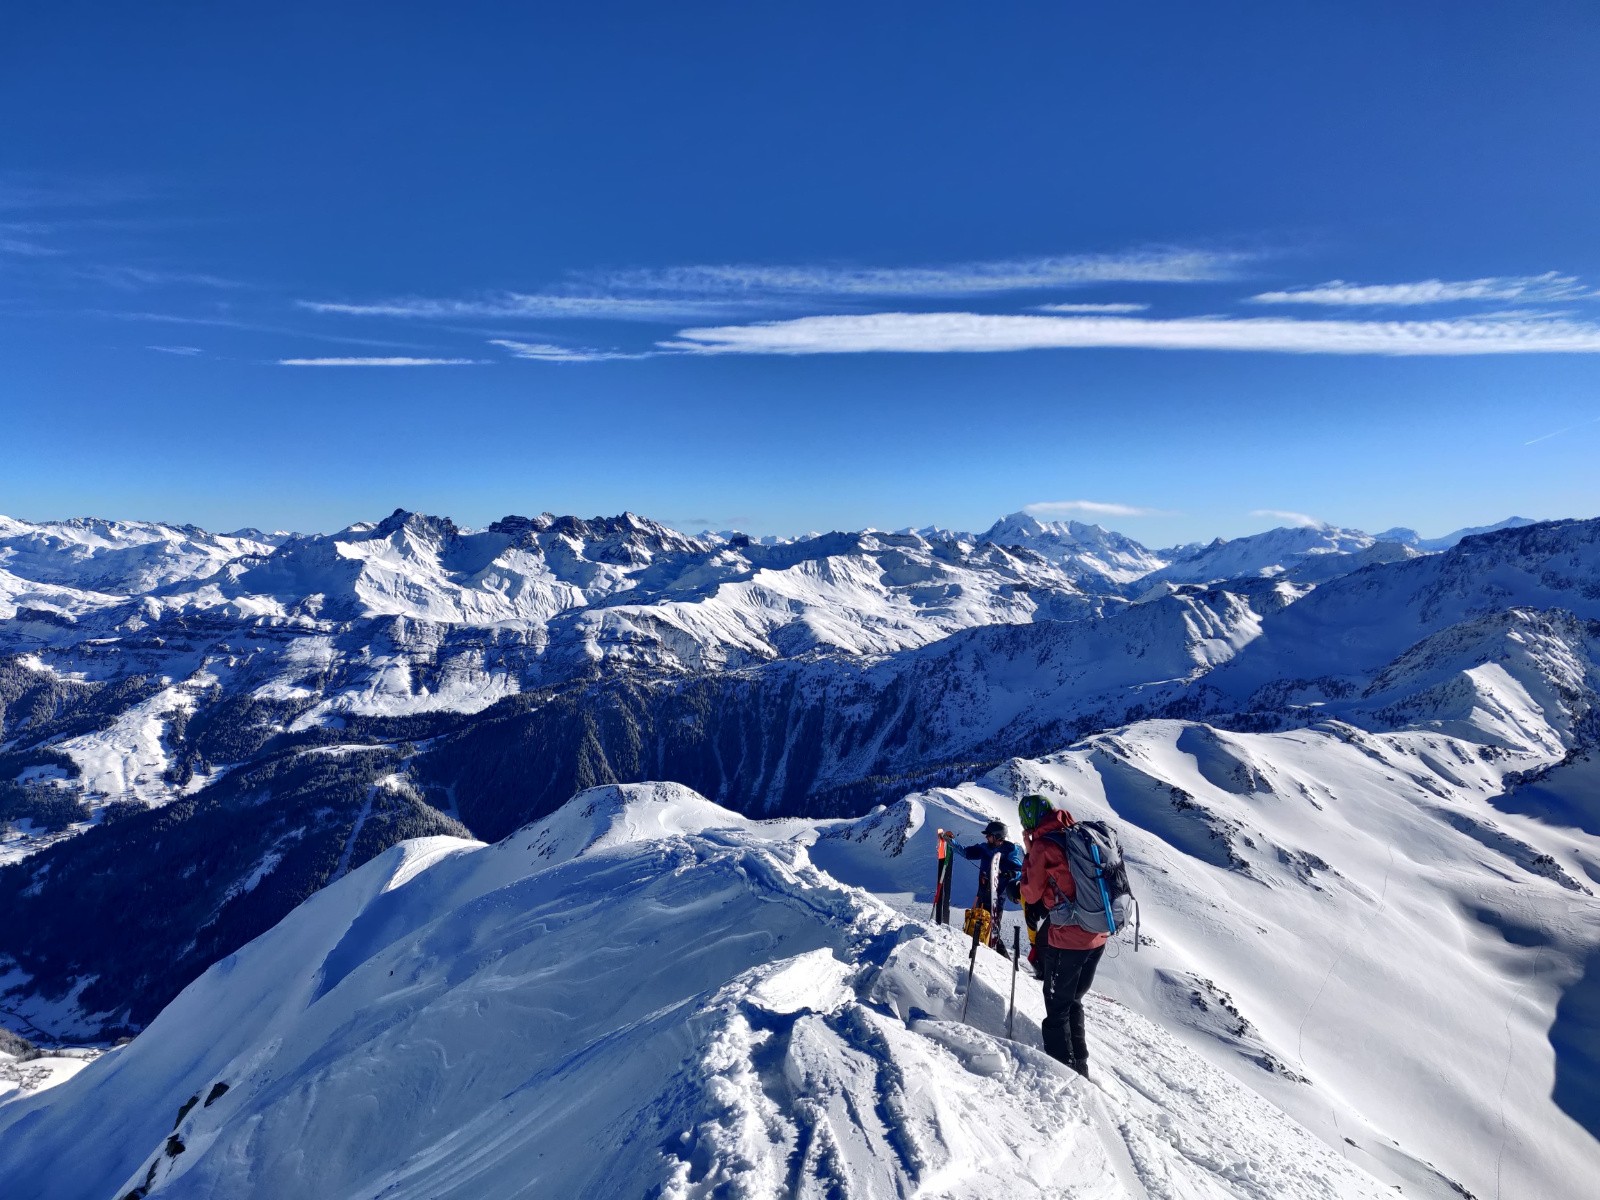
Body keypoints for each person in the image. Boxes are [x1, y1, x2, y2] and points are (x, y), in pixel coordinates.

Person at [1018, 793, 1107, 1079]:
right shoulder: (1076, 834)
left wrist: (1030, 852)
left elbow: (1029, 892)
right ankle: (1080, 1067)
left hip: (1070, 938)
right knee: (1072, 1001)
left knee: (1057, 1007)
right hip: (1098, 933)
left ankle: (1063, 1075)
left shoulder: (1043, 845)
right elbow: (1065, 885)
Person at [944, 820, 1023, 951]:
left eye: (989, 835)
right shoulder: (985, 848)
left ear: (997, 836)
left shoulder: (1009, 852)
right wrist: (951, 842)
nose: (986, 837)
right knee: (975, 926)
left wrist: (1011, 874)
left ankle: (1000, 963)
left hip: (996, 901)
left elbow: (1021, 872)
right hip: (982, 895)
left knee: (992, 934)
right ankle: (974, 954)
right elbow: (966, 852)